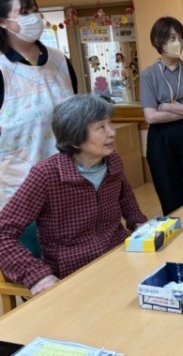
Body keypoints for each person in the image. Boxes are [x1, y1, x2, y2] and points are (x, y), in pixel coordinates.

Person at [0, 94, 148, 295]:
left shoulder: (113, 161)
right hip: (73, 271)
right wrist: (36, 275)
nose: (112, 132)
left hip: (119, 255)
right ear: (75, 138)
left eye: (110, 124)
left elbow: (125, 195)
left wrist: (139, 223)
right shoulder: (46, 175)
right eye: (101, 127)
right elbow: (3, 233)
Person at [0, 0, 78, 211]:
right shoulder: (2, 67)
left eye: (35, 10)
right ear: (3, 22)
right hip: (17, 185)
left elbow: (75, 113)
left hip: (66, 178)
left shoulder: (59, 60)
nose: (34, 18)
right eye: (24, 13)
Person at [141, 16, 183, 215]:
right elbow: (151, 117)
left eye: (181, 38)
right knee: (170, 197)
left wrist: (166, 107)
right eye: (172, 38)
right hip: (160, 138)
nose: (178, 43)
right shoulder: (148, 75)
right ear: (158, 41)